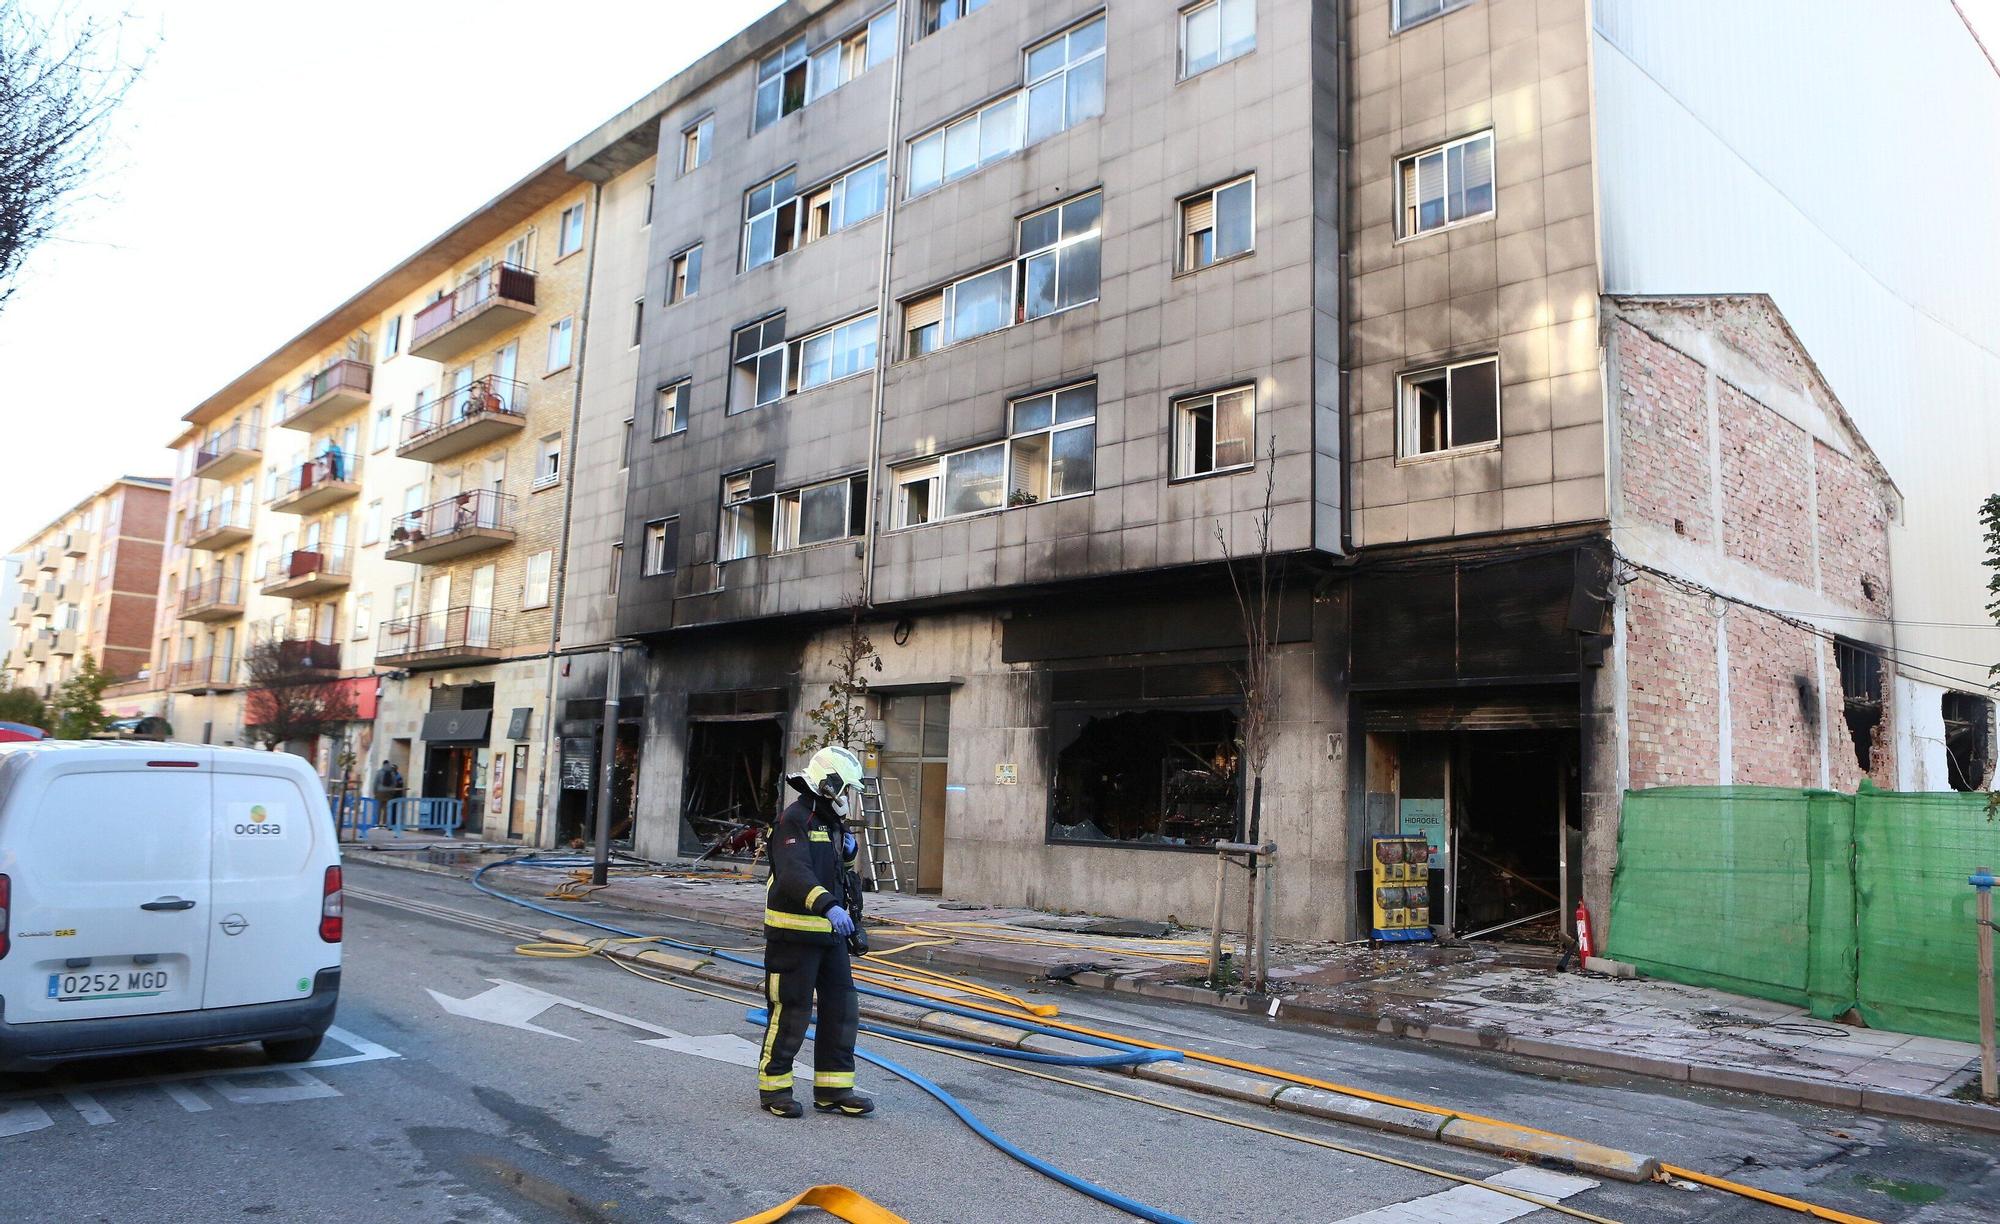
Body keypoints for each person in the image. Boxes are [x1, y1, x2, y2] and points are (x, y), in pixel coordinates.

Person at [755, 744, 873, 1120]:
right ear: (827, 784)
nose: (847, 798)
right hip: (793, 936)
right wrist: (827, 905)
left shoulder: (829, 821)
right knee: (791, 1012)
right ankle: (775, 1089)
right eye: (844, 789)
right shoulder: (794, 820)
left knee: (842, 1010)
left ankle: (834, 1088)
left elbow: (836, 868)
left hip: (830, 937)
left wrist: (850, 853)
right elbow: (793, 874)